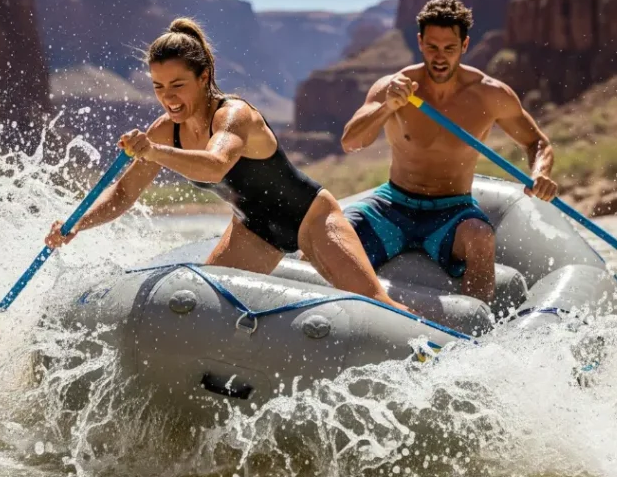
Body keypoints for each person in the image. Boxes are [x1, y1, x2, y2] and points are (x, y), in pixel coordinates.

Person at [45, 17, 407, 312]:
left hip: (309, 218)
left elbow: (216, 165)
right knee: (201, 310)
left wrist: (154, 152)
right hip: (253, 229)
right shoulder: (165, 131)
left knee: (375, 305)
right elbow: (124, 192)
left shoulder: (234, 115)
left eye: (177, 85)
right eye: (157, 86)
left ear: (204, 77)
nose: (167, 98)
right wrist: (78, 223)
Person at [340, 0, 558, 304]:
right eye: (431, 47)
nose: (439, 57)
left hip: (451, 212)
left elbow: (536, 142)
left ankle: (475, 332)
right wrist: (387, 107)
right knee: (335, 234)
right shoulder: (394, 86)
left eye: (449, 48)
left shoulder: (490, 95)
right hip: (393, 205)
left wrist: (540, 173)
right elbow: (351, 141)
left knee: (481, 237)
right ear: (419, 42)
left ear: (465, 46)